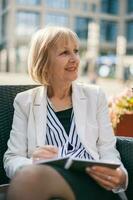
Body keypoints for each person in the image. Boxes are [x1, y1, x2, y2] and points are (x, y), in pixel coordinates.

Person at [4, 26, 128, 200]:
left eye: (76, 51)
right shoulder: (24, 102)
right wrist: (31, 163)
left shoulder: (95, 95)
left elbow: (108, 150)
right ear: (44, 61)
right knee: (30, 177)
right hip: (48, 181)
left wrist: (121, 176)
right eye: (64, 53)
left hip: (95, 183)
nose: (75, 59)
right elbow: (12, 158)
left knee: (30, 179)